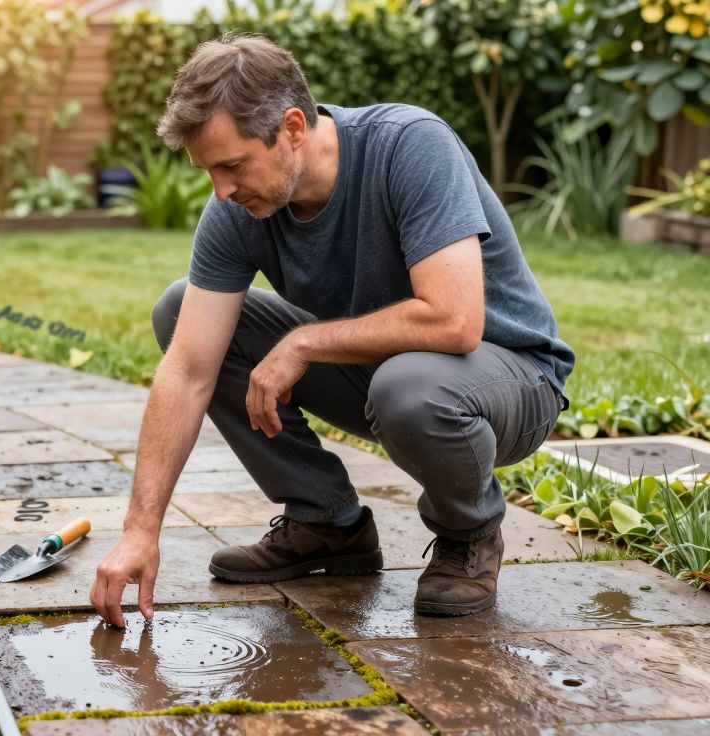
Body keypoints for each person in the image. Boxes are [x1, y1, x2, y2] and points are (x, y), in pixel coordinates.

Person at [89, 33, 574, 627]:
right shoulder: (235, 213)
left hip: (510, 381)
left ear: (293, 127)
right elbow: (188, 371)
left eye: (232, 165)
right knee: (178, 308)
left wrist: (302, 342)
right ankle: (327, 522)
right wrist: (140, 532)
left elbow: (455, 321)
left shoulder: (409, 146)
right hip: (385, 376)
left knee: (409, 387)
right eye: (209, 170)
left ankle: (468, 534)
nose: (220, 190)